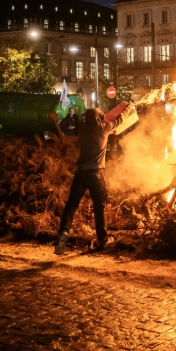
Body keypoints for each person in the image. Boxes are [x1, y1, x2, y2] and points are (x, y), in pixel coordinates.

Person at [54, 103, 135, 255]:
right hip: (95, 174)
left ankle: (63, 233)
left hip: (80, 173)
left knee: (72, 204)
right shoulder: (103, 129)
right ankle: (102, 240)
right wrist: (128, 109)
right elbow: (120, 119)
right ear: (99, 119)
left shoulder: (83, 130)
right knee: (100, 206)